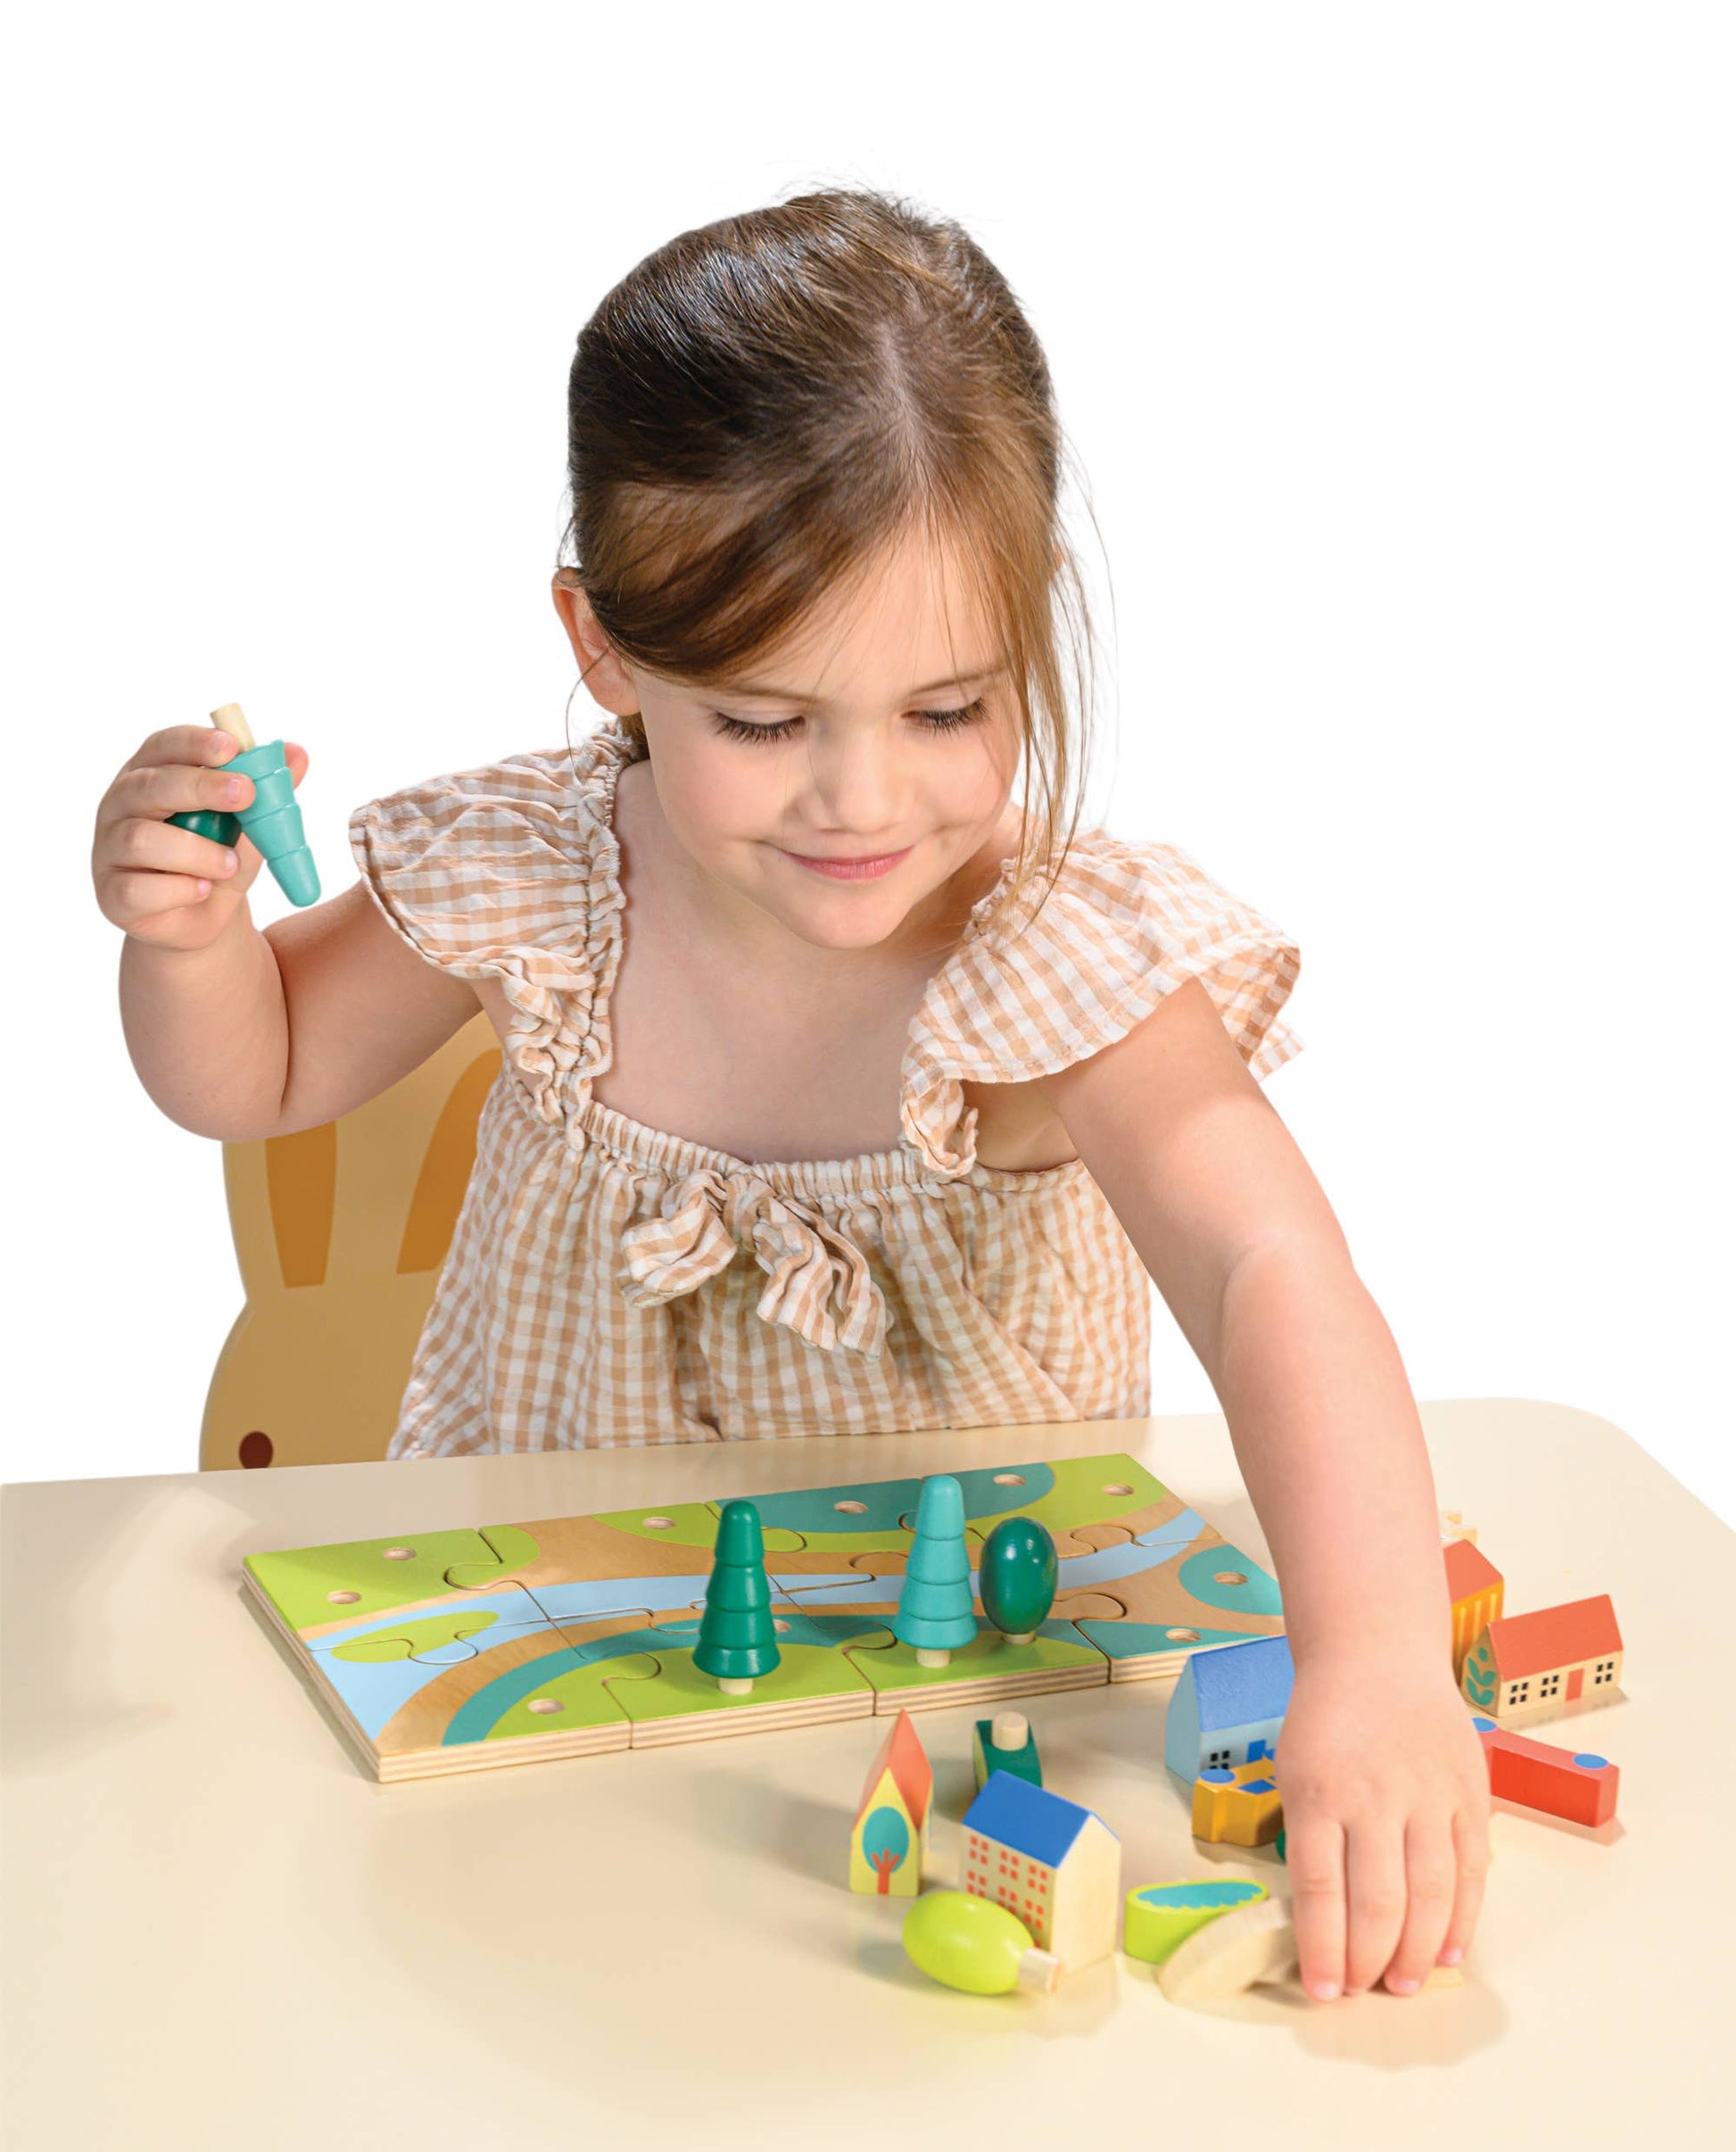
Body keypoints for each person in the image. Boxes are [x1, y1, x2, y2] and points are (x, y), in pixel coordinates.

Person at [91, 185, 1488, 2002]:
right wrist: (186, 939)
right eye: (761, 722)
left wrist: (1373, 1659)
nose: (861, 801)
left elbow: (1267, 1273)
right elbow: (257, 1076)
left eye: (947, 708)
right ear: (602, 649)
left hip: (972, 1709)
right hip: (534, 1680)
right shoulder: (537, 869)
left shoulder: (1059, 954)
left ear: (1029, 623)